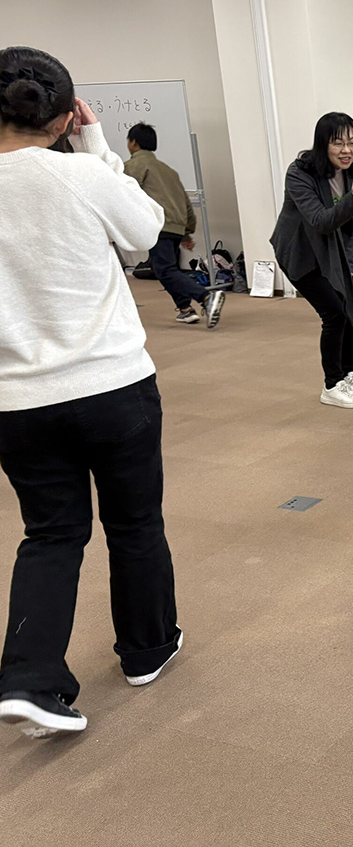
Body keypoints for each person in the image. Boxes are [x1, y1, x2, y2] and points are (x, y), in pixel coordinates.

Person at [0, 47, 183, 738]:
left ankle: (28, 677)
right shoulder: (80, 174)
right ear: (64, 116)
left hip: (15, 399)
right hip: (111, 385)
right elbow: (145, 232)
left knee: (50, 533)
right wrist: (97, 146)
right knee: (135, 524)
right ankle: (147, 649)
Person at [271, 112, 353, 409]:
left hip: (336, 252)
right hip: (301, 252)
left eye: (352, 142)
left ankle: (348, 374)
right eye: (338, 143)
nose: (347, 150)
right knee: (334, 313)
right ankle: (332, 385)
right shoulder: (300, 173)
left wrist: (349, 263)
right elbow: (321, 222)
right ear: (323, 144)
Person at [125, 123, 225, 328]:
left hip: (158, 225)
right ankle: (185, 310)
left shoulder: (133, 166)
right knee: (167, 269)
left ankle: (206, 298)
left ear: (133, 143)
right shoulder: (168, 170)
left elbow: (125, 196)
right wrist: (186, 233)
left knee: (165, 270)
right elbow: (185, 203)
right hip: (175, 226)